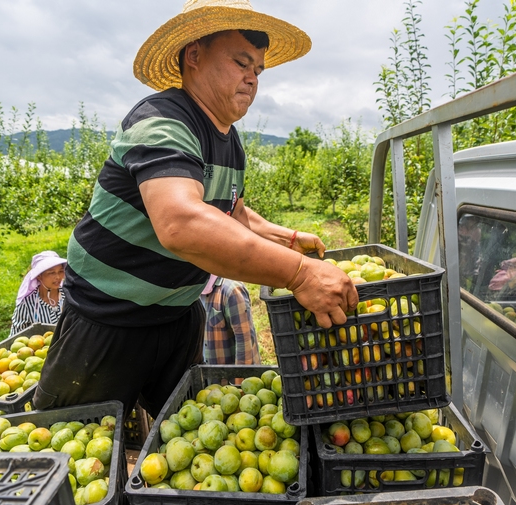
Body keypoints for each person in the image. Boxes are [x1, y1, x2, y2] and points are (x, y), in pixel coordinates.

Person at [33, 0, 358, 420]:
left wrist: (286, 238)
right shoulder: (163, 120)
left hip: (177, 316)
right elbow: (182, 221)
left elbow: (230, 210)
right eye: (241, 62)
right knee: (76, 447)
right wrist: (299, 273)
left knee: (178, 435)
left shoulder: (228, 138)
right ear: (194, 56)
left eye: (258, 70)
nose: (251, 78)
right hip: (107, 320)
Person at [200, 274, 260, 366]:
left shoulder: (231, 290)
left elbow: (245, 344)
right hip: (207, 376)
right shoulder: (191, 292)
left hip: (229, 378)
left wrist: (240, 379)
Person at [10, 251, 67, 336]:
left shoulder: (69, 296)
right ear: (39, 276)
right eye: (52, 273)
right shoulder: (27, 304)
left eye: (60, 271)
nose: (58, 277)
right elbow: (15, 337)